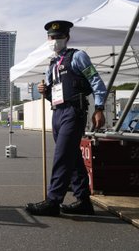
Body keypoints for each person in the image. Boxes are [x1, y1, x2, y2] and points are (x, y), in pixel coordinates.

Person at [25, 20, 107, 216]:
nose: (54, 40)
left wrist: (99, 108)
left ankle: (53, 201)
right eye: (51, 37)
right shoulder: (52, 64)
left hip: (73, 111)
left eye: (58, 37)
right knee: (73, 156)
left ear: (67, 38)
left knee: (62, 155)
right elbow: (54, 94)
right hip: (57, 112)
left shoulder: (78, 56)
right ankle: (83, 200)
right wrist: (44, 92)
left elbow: (96, 81)